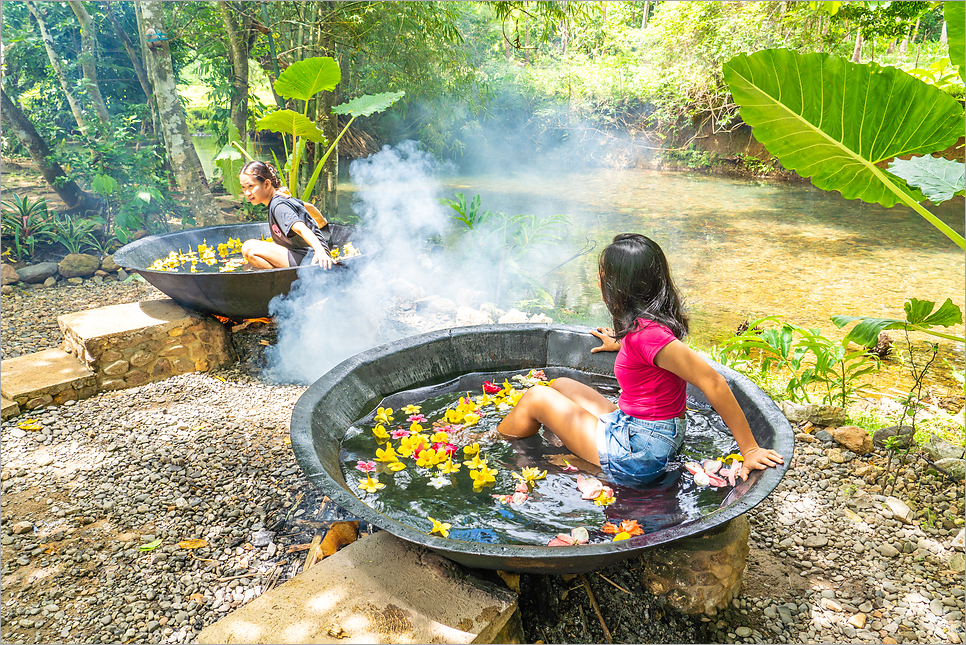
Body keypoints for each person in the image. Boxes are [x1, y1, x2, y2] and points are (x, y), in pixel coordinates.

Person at [498, 233, 784, 487]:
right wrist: (622, 344)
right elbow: (652, 356)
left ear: (618, 286)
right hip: (641, 431)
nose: (598, 279)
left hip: (640, 454)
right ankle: (567, 451)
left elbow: (715, 383)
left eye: (602, 275)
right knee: (560, 385)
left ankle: (497, 444)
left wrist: (750, 450)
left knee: (536, 397)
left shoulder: (649, 337)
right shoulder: (645, 330)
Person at [238, 160, 334, 269]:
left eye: (251, 186)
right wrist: (324, 229)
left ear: (267, 184)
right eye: (243, 187)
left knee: (249, 248)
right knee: (251, 261)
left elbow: (301, 228)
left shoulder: (279, 206)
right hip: (307, 256)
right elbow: (310, 208)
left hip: (314, 260)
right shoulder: (282, 198)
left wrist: (321, 251)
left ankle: (283, 282)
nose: (247, 193)